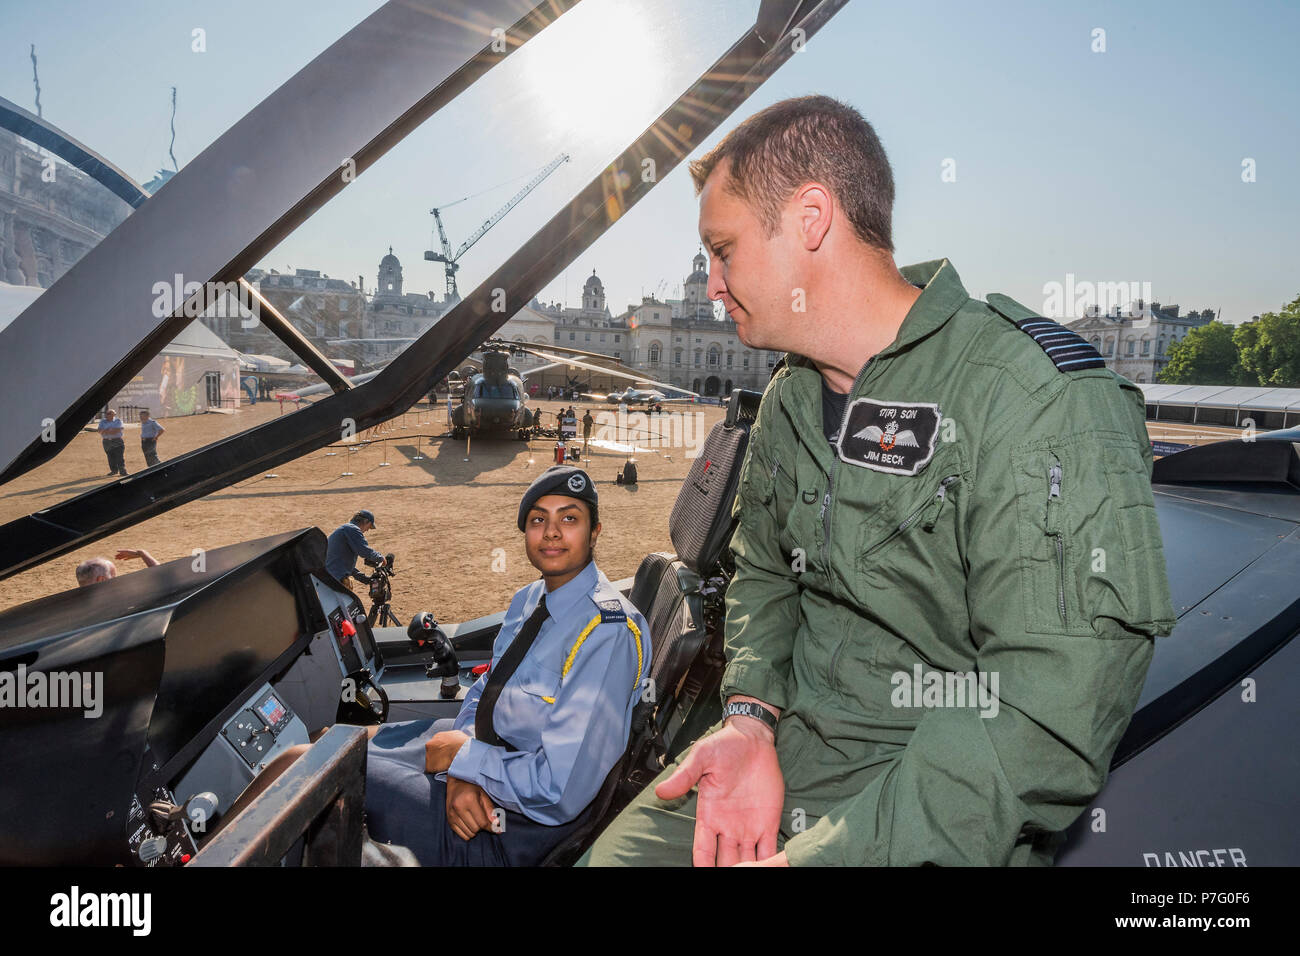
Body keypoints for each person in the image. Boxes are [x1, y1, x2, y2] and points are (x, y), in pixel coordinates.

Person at [580, 95, 1175, 867]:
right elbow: (762, 568)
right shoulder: (794, 395)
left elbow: (1044, 709)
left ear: (811, 219)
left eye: (723, 250)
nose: (714, 285)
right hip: (786, 747)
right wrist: (751, 718)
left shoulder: (1032, 396)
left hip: (937, 796)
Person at [360, 465, 650, 865]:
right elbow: (485, 691)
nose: (551, 532)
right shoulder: (528, 599)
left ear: (595, 531)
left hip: (513, 828)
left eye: (569, 518)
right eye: (538, 520)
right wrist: (463, 766)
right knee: (335, 743)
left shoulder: (608, 634)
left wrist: (465, 759)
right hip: (487, 761)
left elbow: (559, 791)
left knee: (320, 778)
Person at [324, 510, 384, 590]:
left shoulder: (345, 529)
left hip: (329, 577)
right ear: (366, 521)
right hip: (335, 578)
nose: (367, 530)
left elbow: (344, 566)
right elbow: (364, 551)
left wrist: (365, 579)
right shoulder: (352, 529)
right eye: (369, 526)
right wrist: (381, 558)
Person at [75, 548, 160, 587]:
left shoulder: (71, 603)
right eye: (113, 576)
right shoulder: (116, 596)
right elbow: (162, 576)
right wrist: (142, 553)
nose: (116, 579)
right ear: (101, 579)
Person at [97, 409, 127, 477]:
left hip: (117, 440)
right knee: (110, 457)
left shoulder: (118, 421)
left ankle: (123, 471)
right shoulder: (102, 421)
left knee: (120, 457)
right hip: (106, 441)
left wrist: (105, 431)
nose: (109, 415)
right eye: (108, 413)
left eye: (111, 413)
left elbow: (118, 430)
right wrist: (111, 430)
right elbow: (99, 430)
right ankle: (114, 471)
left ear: (114, 414)